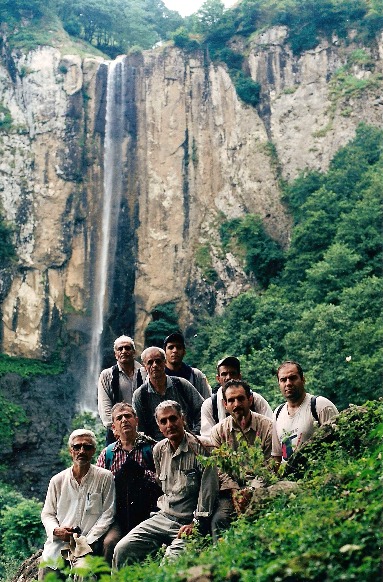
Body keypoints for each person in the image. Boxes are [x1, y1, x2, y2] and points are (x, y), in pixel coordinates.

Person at [112, 400, 219, 569]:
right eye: (163, 421)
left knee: (170, 561)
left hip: (190, 522)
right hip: (163, 517)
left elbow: (208, 494)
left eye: (173, 419)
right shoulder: (159, 450)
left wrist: (195, 524)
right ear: (159, 426)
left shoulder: (202, 448)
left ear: (182, 419)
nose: (169, 425)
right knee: (123, 549)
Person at [39, 429, 115, 578]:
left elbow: (108, 513)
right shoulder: (57, 480)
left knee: (84, 573)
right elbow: (47, 513)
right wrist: (56, 530)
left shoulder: (105, 478)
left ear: (93, 451)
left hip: (88, 544)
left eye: (87, 447)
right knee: (46, 571)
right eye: (77, 447)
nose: (82, 451)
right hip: (60, 543)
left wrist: (87, 540)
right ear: (70, 451)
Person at [96, 403, 162, 565]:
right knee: (110, 543)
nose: (124, 420)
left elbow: (164, 481)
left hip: (148, 513)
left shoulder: (152, 448)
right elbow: (97, 486)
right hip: (118, 515)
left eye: (128, 416)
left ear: (136, 420)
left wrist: (141, 474)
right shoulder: (108, 454)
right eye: (119, 418)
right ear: (114, 427)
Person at [209, 379, 273, 541]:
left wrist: (251, 491)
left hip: (262, 487)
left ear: (250, 400)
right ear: (225, 404)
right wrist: (235, 492)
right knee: (220, 520)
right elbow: (219, 470)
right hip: (231, 491)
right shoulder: (218, 432)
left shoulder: (267, 426)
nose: (236, 404)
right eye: (231, 400)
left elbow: (270, 463)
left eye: (240, 399)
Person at [272, 361, 339, 467]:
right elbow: (277, 457)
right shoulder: (277, 413)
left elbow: (338, 446)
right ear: (279, 384)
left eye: (293, 378)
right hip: (287, 481)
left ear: (303, 379)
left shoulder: (320, 406)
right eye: (283, 380)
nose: (288, 383)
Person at [132, 347, 204, 441]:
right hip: (156, 448)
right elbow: (139, 429)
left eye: (158, 361)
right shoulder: (140, 395)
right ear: (144, 366)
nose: (154, 365)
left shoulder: (181, 385)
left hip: (188, 442)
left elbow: (202, 411)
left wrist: (194, 435)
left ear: (164, 362)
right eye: (150, 362)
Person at [201, 356, 272, 437]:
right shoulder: (210, 405)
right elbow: (207, 438)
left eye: (232, 373)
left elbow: (270, 428)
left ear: (239, 376)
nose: (228, 377)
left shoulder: (256, 400)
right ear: (218, 378)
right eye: (224, 374)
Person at [98, 335, 145, 444]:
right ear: (115, 354)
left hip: (143, 429)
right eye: (120, 349)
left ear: (134, 352)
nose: (124, 351)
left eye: (127, 348)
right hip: (116, 432)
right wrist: (115, 428)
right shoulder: (107, 375)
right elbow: (105, 406)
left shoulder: (144, 373)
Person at [163, 332, 211, 399]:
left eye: (179, 347)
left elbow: (207, 401)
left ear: (184, 352)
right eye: (171, 347)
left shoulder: (196, 375)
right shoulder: (159, 376)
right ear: (164, 352)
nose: (175, 351)